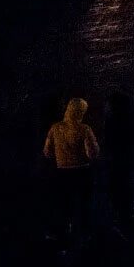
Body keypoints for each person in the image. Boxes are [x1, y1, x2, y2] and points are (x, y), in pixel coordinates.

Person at [43, 97, 101, 240]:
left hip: (61, 172)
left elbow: (47, 152)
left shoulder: (55, 128)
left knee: (63, 206)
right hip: (82, 173)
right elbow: (92, 153)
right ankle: (83, 237)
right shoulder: (85, 129)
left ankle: (61, 236)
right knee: (83, 206)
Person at [104, 92, 134, 232]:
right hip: (126, 161)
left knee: (117, 188)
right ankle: (125, 219)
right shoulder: (130, 121)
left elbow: (108, 143)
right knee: (124, 187)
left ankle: (120, 220)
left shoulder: (112, 122)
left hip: (117, 161)